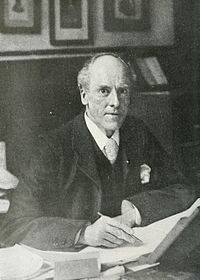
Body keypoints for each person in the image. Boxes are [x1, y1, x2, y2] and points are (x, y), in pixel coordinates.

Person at [0, 53, 196, 251]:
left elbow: (184, 189)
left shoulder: (137, 132)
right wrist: (84, 233)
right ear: (84, 95)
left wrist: (135, 211)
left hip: (134, 258)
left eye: (123, 91)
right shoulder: (53, 147)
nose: (116, 102)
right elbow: (14, 225)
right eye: (104, 91)